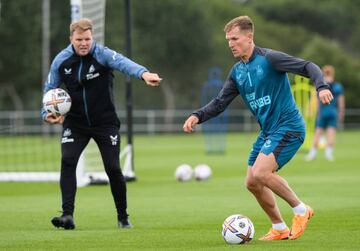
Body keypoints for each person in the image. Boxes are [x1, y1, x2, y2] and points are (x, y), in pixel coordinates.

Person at [183, 16, 333, 240]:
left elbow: (308, 66)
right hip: (268, 132)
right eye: (228, 40)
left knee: (262, 172)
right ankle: (280, 228)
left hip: (289, 126)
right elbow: (219, 103)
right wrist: (197, 115)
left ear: (249, 37)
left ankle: (301, 210)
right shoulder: (237, 72)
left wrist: (321, 86)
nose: (231, 44)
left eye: (235, 38)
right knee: (252, 182)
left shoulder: (270, 59)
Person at [42, 18, 162, 230]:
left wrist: (144, 74)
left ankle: (123, 217)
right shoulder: (61, 60)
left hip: (105, 123)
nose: (84, 43)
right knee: (68, 161)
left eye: (87, 39)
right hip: (75, 123)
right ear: (71, 38)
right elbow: (49, 89)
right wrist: (47, 113)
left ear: (92, 37)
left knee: (113, 168)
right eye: (79, 39)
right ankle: (67, 215)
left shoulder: (102, 54)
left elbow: (124, 63)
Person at [306, 65, 345, 161]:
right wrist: (341, 112)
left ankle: (312, 154)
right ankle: (328, 154)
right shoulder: (338, 86)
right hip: (333, 112)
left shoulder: (321, 84)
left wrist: (316, 112)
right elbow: (341, 101)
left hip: (323, 112)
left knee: (318, 133)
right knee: (331, 133)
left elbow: (317, 100)